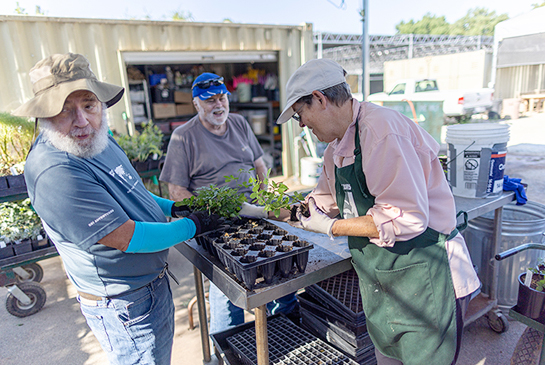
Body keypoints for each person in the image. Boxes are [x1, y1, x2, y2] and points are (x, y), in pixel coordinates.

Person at [14, 53, 220, 365]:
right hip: (125, 304)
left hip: (150, 286)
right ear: (43, 115)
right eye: (65, 110)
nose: (82, 120)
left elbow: (133, 191)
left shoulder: (97, 140)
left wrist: (175, 207)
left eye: (88, 105)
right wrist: (193, 224)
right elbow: (126, 236)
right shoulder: (54, 170)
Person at [277, 59, 480, 365]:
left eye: (299, 115)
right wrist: (275, 211)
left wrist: (331, 227)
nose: (302, 124)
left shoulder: (381, 131)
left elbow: (406, 217)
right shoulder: (336, 149)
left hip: (427, 278)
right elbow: (321, 203)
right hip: (386, 286)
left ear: (319, 99)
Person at [160, 72, 298, 333]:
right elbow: (176, 190)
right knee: (229, 286)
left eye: (222, 98)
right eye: (210, 100)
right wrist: (211, 213)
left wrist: (262, 198)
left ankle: (285, 329)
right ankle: (226, 343)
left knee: (280, 270)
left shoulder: (239, 123)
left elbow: (260, 164)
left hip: (253, 213)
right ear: (196, 104)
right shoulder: (183, 136)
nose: (218, 105)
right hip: (215, 222)